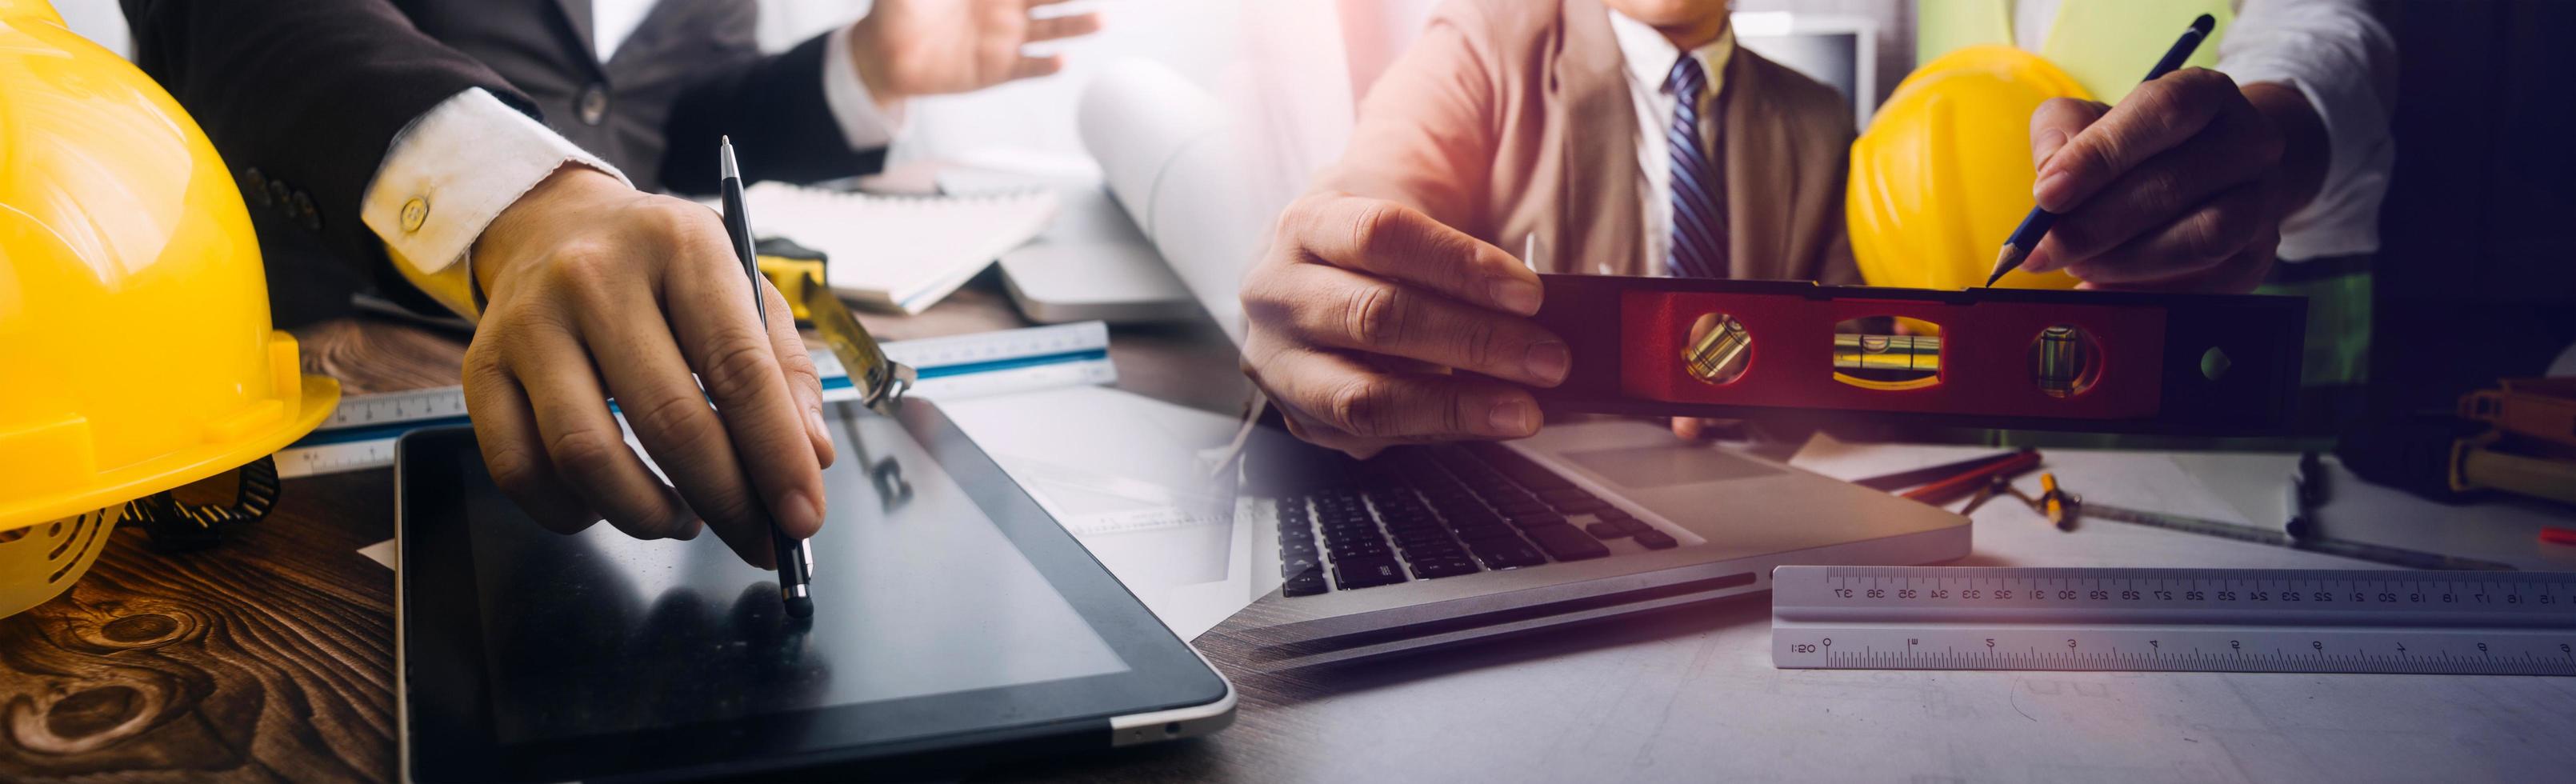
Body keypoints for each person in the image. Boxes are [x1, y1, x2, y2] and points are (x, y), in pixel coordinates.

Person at [122, 0, 1098, 566]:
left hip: (622, 377)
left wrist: (860, 73)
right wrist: (524, 203)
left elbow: (669, 126)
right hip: (308, 387)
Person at [1239, 0, 2391, 457]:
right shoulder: (1485, 48)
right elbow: (1379, 184)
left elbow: (1856, 355)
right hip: (1533, 491)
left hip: (2131, 425)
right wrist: (1341, 255)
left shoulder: (1817, 114)